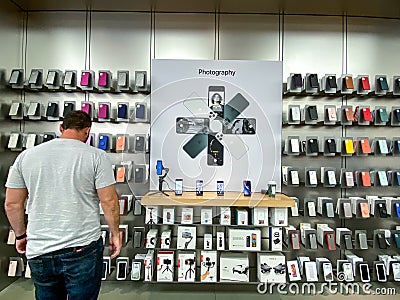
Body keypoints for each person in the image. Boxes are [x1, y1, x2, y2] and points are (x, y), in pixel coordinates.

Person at [4, 110, 121, 300]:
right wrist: (115, 233)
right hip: (82, 248)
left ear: (61, 127)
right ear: (87, 131)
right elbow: (109, 202)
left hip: (40, 248)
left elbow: (12, 204)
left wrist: (20, 235)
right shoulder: (97, 156)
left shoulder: (26, 156)